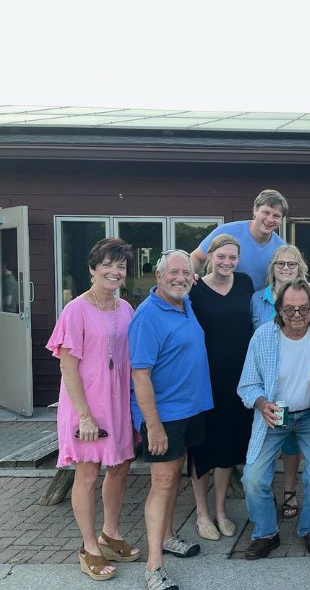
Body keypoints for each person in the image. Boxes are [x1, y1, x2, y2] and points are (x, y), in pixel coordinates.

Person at [46, 238, 138, 581]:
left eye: (121, 266)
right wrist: (84, 415)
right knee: (87, 474)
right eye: (108, 265)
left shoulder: (126, 308)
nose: (115, 272)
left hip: (116, 403)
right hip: (87, 406)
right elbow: (67, 367)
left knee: (119, 468)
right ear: (92, 269)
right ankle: (89, 547)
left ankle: (111, 534)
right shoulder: (76, 310)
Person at [129, 249, 214, 590]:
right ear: (159, 277)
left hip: (190, 410)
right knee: (162, 484)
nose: (181, 278)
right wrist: (154, 425)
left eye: (186, 273)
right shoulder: (147, 315)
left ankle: (166, 537)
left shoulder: (184, 304)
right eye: (173, 273)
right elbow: (140, 375)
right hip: (165, 417)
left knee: (173, 479)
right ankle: (154, 567)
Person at [237, 278, 310, 560]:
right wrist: (261, 403)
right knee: (252, 477)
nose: (297, 316)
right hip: (274, 414)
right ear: (278, 309)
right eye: (290, 309)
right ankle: (266, 533)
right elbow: (246, 384)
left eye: (304, 309)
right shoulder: (264, 336)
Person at [187, 234, 254, 541]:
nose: (227, 262)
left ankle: (221, 510)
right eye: (222, 256)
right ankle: (201, 513)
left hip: (236, 380)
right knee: (202, 448)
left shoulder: (244, 283)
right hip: (203, 379)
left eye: (232, 257)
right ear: (210, 255)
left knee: (227, 447)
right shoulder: (195, 288)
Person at [250, 245, 309, 521]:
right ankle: (264, 519)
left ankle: (290, 492)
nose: (286, 268)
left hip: (305, 401)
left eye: (292, 264)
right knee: (256, 472)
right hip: (269, 388)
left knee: (295, 449)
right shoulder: (257, 304)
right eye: (280, 264)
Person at [191, 189, 287, 291]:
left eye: (276, 216)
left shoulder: (281, 248)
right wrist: (189, 274)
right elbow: (197, 256)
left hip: (257, 304)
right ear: (255, 210)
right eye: (266, 213)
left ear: (281, 220)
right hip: (218, 298)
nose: (269, 220)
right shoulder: (226, 231)